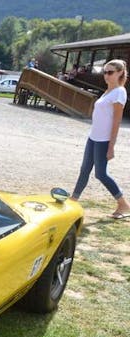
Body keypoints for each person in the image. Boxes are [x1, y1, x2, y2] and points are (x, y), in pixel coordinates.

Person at [71, 59, 130, 219]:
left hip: (104, 140)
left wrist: (111, 147)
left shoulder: (119, 92)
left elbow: (116, 122)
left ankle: (123, 204)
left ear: (120, 73)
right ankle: (73, 200)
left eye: (110, 72)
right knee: (84, 170)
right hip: (93, 137)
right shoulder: (107, 91)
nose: (106, 75)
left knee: (101, 174)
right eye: (105, 72)